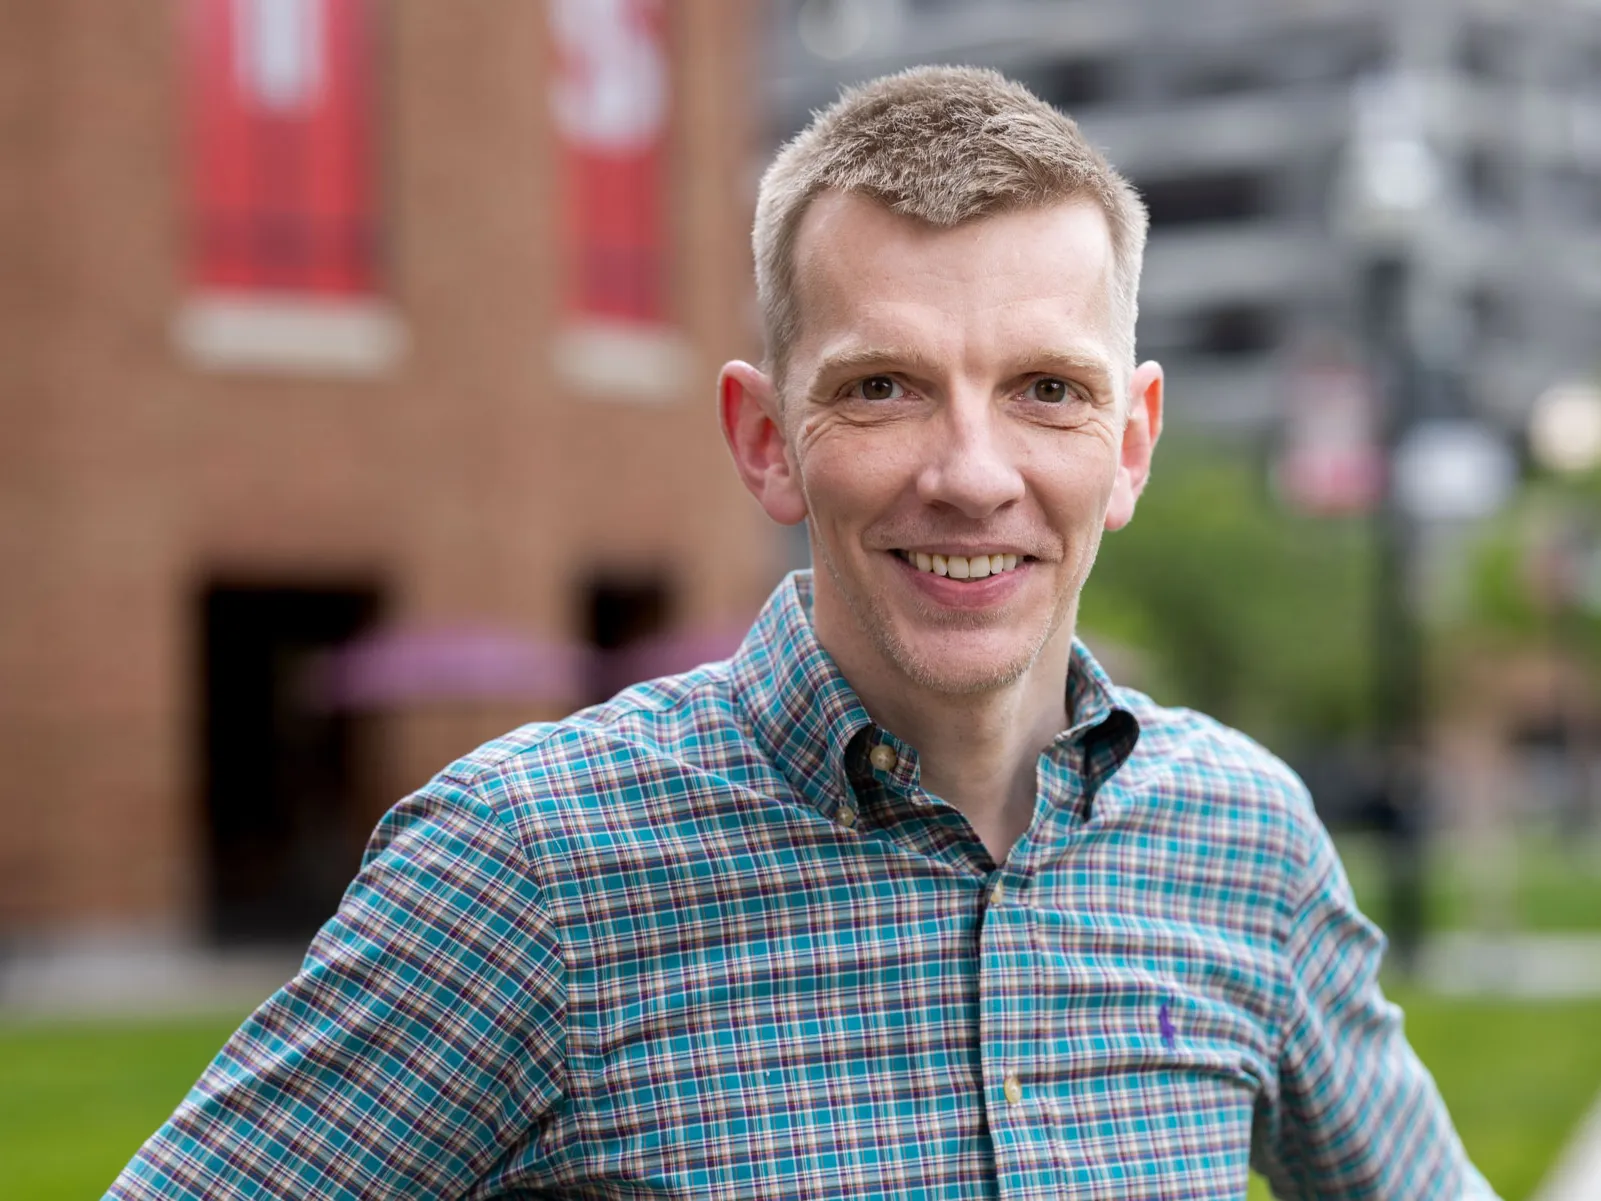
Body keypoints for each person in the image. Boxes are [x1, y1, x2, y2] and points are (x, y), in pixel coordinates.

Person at [109, 66, 1496, 1200]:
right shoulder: (531, 869)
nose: (970, 471)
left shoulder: (1240, 842)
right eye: (884, 386)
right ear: (769, 443)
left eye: (1045, 391)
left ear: (1129, 443)